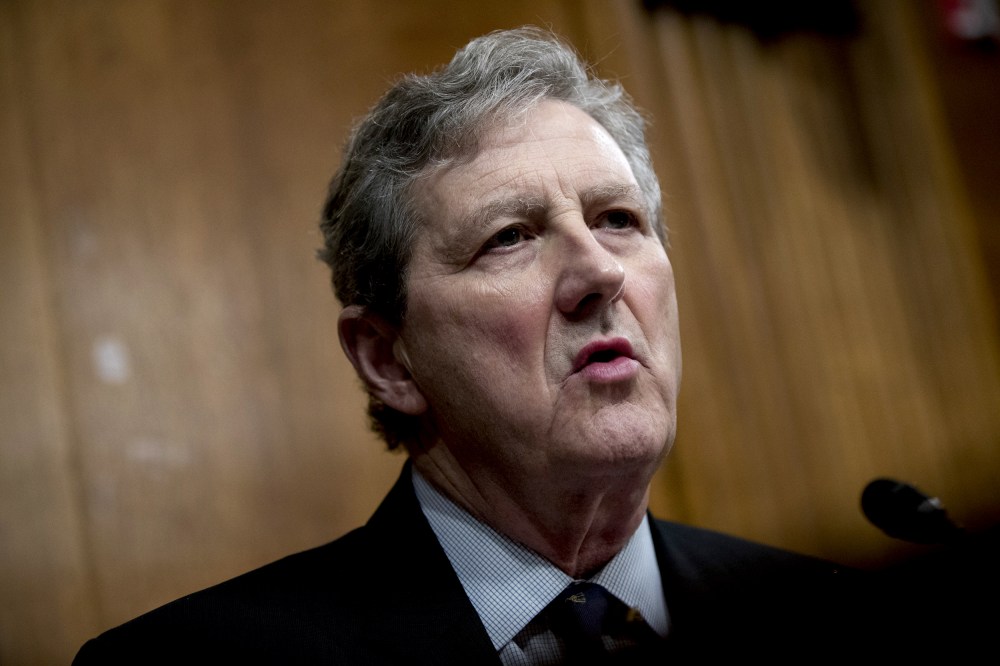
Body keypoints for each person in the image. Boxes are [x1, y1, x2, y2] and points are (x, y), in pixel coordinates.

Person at [73, 27, 872, 665]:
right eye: (509, 237)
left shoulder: (826, 612)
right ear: (388, 359)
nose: (598, 272)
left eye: (618, 220)